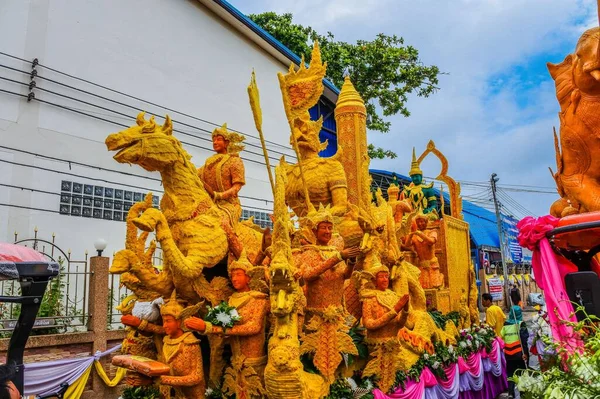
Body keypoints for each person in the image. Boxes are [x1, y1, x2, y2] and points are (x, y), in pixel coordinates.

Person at [198, 123, 246, 224]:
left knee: (222, 223)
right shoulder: (207, 164)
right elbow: (194, 175)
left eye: (219, 139)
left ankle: (235, 240)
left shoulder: (234, 160)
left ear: (227, 143)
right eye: (213, 140)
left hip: (229, 206)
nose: (215, 142)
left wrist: (218, 195)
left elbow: (237, 187)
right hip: (209, 204)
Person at [404, 213, 444, 289]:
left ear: (426, 222)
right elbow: (407, 245)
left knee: (435, 285)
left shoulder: (432, 232)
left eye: (422, 221)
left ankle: (441, 278)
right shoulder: (414, 236)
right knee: (424, 287)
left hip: (432, 264)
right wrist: (411, 233)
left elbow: (431, 241)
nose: (420, 223)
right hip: (422, 266)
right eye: (418, 222)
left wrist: (419, 234)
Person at [501, 305, 529, 399]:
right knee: (522, 373)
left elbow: (501, 337)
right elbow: (524, 341)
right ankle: (522, 393)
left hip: (508, 354)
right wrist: (525, 353)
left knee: (510, 373)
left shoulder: (505, 325)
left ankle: (511, 393)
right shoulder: (522, 324)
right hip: (520, 353)